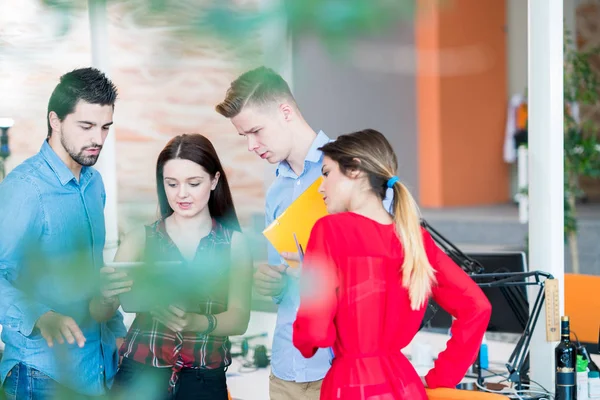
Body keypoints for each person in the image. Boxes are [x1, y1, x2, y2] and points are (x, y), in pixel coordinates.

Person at [292, 129, 492, 399]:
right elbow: (477, 307)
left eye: (326, 173)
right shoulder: (415, 239)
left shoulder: (329, 230)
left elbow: (314, 332)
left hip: (351, 386)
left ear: (355, 170)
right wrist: (441, 377)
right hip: (404, 384)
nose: (320, 187)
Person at [0, 67, 127, 399]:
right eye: (86, 126)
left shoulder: (94, 184)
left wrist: (116, 329)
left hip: (94, 368)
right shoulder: (24, 189)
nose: (98, 139)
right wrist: (40, 315)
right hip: (40, 374)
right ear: (55, 121)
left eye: (105, 127)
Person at [216, 66, 336, 399]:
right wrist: (273, 282)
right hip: (285, 368)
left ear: (285, 112)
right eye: (244, 137)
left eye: (256, 131)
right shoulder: (276, 193)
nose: (252, 146)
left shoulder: (348, 170)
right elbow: (283, 284)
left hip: (336, 368)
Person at [109, 133, 252, 400]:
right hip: (140, 372)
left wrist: (194, 322)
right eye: (171, 184)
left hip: (203, 378)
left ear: (214, 180)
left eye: (193, 183)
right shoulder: (140, 238)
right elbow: (103, 310)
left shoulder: (235, 244)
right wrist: (106, 291)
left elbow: (240, 318)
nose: (181, 194)